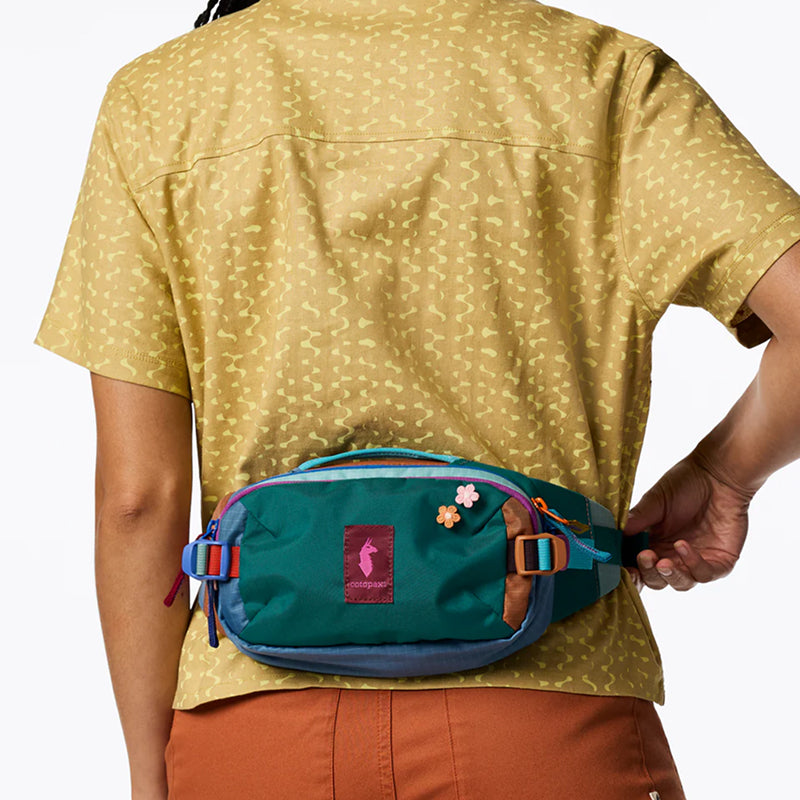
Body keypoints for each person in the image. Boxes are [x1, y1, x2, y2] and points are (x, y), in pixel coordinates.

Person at [33, 0, 800, 797]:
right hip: (546, 721)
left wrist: (152, 773)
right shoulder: (602, 81)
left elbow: (138, 501)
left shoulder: (160, 101)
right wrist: (724, 475)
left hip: (252, 732)